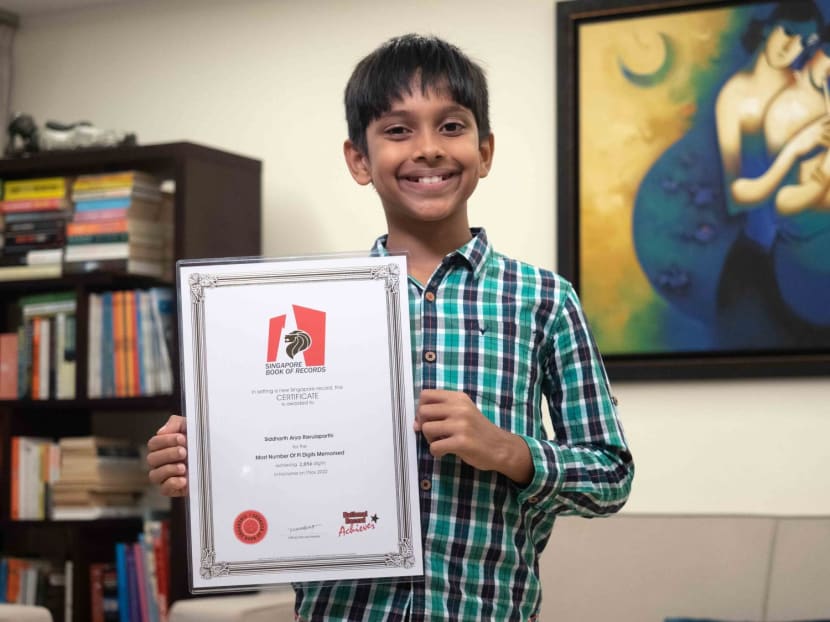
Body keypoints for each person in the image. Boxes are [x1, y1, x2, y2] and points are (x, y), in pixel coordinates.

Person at [147, 34, 634, 621]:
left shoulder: (544, 300)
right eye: (398, 130)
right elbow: (273, 459)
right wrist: (204, 465)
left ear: (485, 150)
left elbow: (611, 476)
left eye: (451, 126)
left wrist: (508, 450)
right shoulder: (303, 305)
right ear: (359, 159)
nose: (427, 149)